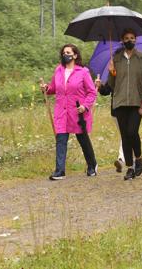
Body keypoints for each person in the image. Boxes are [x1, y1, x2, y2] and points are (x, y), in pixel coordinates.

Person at [99, 29, 142, 180]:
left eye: (132, 38)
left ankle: (138, 158)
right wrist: (111, 73)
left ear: (135, 40)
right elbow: (111, 85)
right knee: (125, 136)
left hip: (137, 101)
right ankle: (130, 167)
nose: (129, 40)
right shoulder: (116, 58)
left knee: (132, 132)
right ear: (122, 40)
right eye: (126, 38)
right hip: (119, 102)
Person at [41, 44, 98, 180]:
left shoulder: (83, 72)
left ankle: (92, 165)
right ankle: (60, 171)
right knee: (61, 140)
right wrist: (46, 88)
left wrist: (85, 106)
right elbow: (53, 89)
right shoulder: (58, 71)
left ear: (75, 55)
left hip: (78, 112)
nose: (65, 55)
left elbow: (91, 92)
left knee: (83, 140)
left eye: (68, 52)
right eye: (63, 52)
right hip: (61, 111)